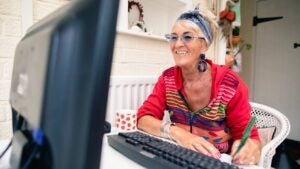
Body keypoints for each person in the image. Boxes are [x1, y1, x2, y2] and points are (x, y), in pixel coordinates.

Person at [136, 5, 261, 165]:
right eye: (173, 37)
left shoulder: (230, 84)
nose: (177, 44)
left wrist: (249, 149)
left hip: (214, 162)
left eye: (187, 37)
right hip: (177, 156)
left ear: (205, 44)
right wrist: (179, 134)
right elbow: (143, 119)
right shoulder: (167, 79)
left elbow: (251, 140)